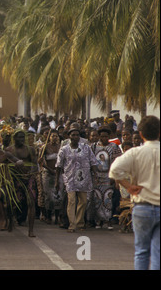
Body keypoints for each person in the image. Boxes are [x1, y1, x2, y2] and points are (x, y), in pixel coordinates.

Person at [109, 115, 160, 270]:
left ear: (141, 134)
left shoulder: (135, 153)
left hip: (142, 207)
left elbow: (114, 170)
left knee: (141, 252)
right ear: (159, 133)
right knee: (158, 252)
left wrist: (128, 186)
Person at [55, 126, 99, 233]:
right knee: (71, 201)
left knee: (83, 201)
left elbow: (92, 161)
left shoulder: (86, 147)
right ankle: (72, 224)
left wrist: (95, 174)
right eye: (73, 135)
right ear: (69, 136)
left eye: (77, 135)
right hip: (69, 179)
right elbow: (59, 166)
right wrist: (57, 181)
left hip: (83, 178)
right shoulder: (64, 149)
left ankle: (80, 222)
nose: (75, 137)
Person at [87, 126, 122, 230]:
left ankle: (107, 220)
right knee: (97, 199)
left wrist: (114, 177)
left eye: (106, 136)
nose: (104, 138)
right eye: (102, 136)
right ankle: (98, 221)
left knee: (108, 199)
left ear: (109, 136)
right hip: (96, 178)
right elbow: (90, 161)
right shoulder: (93, 146)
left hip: (108, 177)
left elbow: (117, 163)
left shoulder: (114, 147)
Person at [5, 130, 38, 231]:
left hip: (28, 178)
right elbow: (5, 165)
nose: (21, 140)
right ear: (14, 138)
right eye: (19, 137)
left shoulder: (30, 149)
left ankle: (27, 223)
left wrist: (30, 173)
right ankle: (12, 219)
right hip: (14, 178)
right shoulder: (8, 150)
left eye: (23, 137)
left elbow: (34, 164)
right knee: (13, 200)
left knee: (30, 200)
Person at [39, 129, 64, 225]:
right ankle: (48, 216)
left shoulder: (61, 148)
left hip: (59, 173)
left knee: (59, 195)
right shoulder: (44, 147)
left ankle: (57, 217)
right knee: (48, 196)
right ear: (49, 137)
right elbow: (41, 161)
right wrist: (49, 169)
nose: (54, 138)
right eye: (53, 136)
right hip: (48, 173)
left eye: (56, 136)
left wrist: (58, 171)